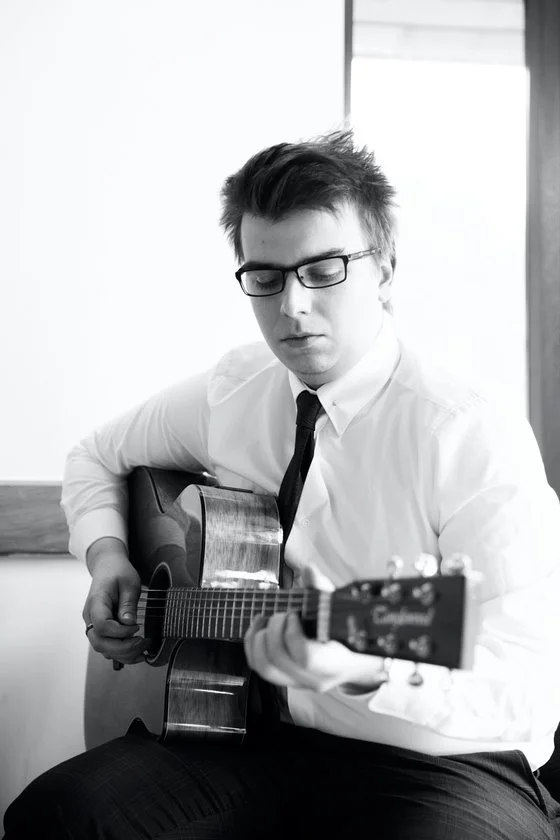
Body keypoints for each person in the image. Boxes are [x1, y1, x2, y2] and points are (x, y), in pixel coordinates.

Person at [4, 128, 560, 840]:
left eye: (323, 269)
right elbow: (94, 456)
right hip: (247, 738)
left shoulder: (469, 434)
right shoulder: (234, 390)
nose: (291, 306)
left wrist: (364, 671)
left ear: (385, 270)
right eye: (265, 277)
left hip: (440, 762)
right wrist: (108, 557)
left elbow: (524, 692)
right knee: (57, 817)